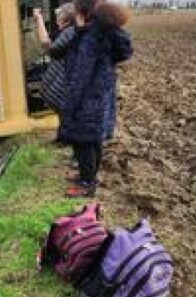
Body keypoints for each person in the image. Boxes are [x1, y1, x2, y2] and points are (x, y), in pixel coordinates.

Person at [61, 0, 133, 198]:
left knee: (83, 141)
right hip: (101, 95)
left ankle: (87, 184)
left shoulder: (89, 38)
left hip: (87, 98)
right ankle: (89, 175)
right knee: (94, 140)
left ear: (81, 13)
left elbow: (80, 75)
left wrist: (71, 105)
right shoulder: (105, 32)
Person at [33, 4, 77, 113]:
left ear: (66, 21)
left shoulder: (70, 33)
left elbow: (47, 45)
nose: (57, 22)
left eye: (59, 18)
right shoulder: (69, 33)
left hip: (64, 96)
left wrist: (38, 18)